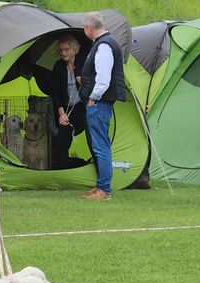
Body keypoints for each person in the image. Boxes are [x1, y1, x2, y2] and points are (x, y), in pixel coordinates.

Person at [80, 12, 126, 200]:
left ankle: (104, 189)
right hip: (101, 102)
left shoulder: (104, 45)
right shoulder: (106, 43)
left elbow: (103, 79)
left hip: (99, 103)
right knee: (99, 144)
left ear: (88, 28)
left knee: (100, 146)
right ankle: (100, 185)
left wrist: (93, 97)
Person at [51, 34, 88, 169]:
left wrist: (84, 83)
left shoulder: (84, 62)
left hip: (84, 107)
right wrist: (61, 114)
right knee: (62, 141)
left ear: (74, 49)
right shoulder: (58, 66)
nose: (63, 53)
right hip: (67, 108)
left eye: (66, 49)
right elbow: (56, 93)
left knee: (92, 138)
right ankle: (62, 170)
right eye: (61, 50)